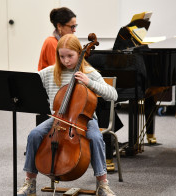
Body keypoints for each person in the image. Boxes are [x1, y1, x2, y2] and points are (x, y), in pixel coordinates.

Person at [18, 34, 117, 196]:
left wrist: (89, 83)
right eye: (61, 56)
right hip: (58, 119)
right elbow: (31, 83)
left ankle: (102, 184)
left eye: (70, 56)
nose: (66, 60)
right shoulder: (50, 72)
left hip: (85, 119)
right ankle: (30, 182)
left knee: (96, 138)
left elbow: (113, 95)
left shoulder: (90, 73)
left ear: (79, 53)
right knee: (34, 134)